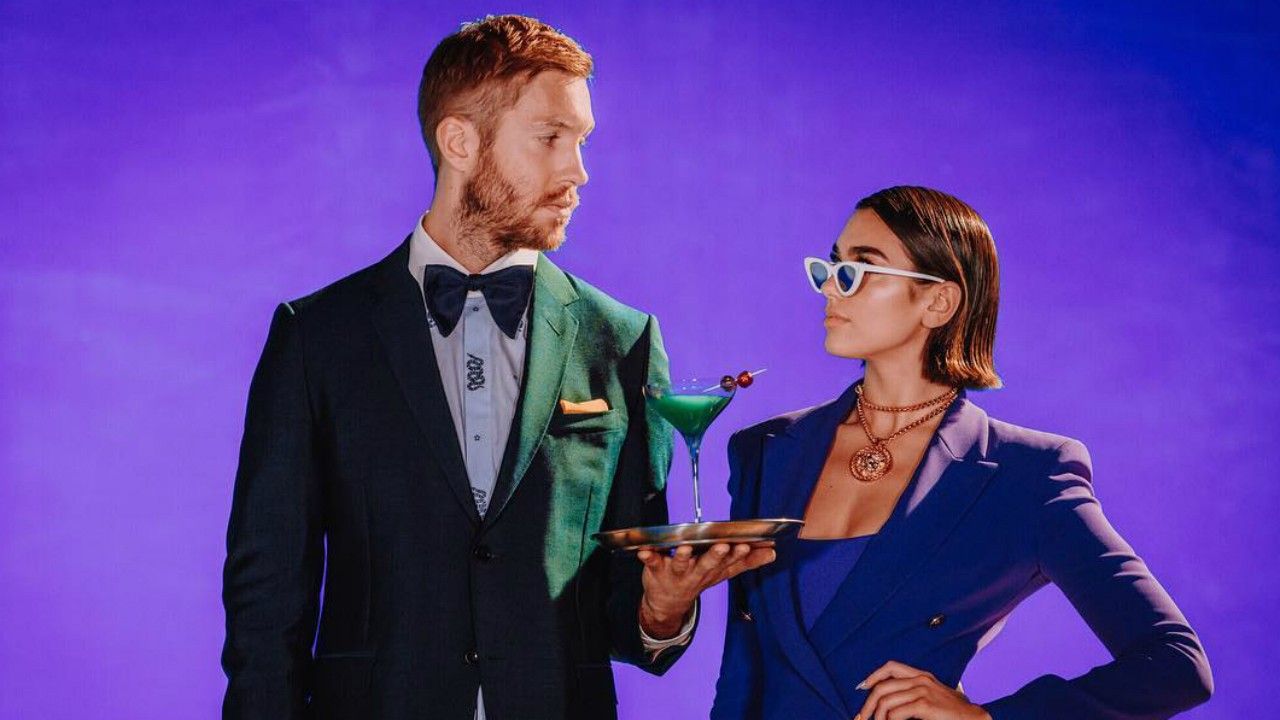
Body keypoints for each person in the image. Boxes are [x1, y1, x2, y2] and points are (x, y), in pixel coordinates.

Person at [221, 15, 773, 720]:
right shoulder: (317, 337)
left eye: (581, 141)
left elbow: (627, 600)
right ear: (459, 142)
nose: (578, 172)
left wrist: (663, 610)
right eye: (550, 138)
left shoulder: (624, 340)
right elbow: (266, 595)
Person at [710, 186, 1212, 719]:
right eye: (830, 267)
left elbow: (1176, 664)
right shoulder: (764, 450)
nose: (831, 287)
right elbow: (742, 669)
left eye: (859, 269)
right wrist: (666, 611)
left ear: (938, 302)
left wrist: (988, 719)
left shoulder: (1027, 475)